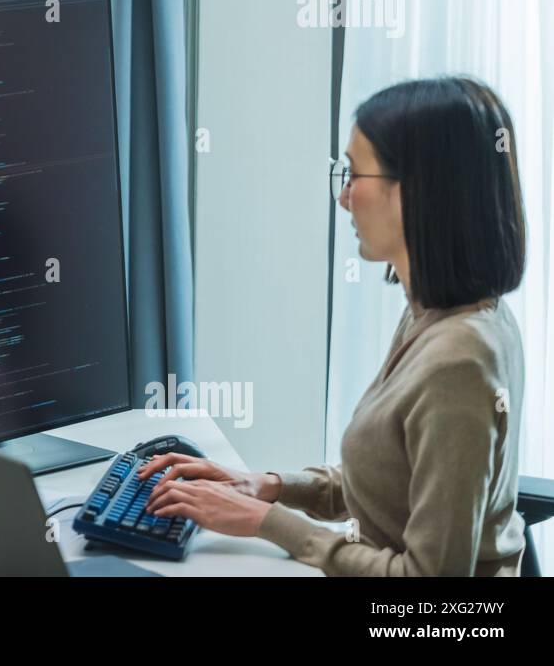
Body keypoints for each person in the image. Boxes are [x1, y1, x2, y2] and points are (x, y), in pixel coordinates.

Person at [138, 76, 527, 575]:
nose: (343, 197)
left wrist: (268, 523)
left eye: (354, 175)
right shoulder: (438, 311)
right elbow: (393, 483)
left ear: (414, 193)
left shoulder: (460, 360)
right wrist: (269, 487)